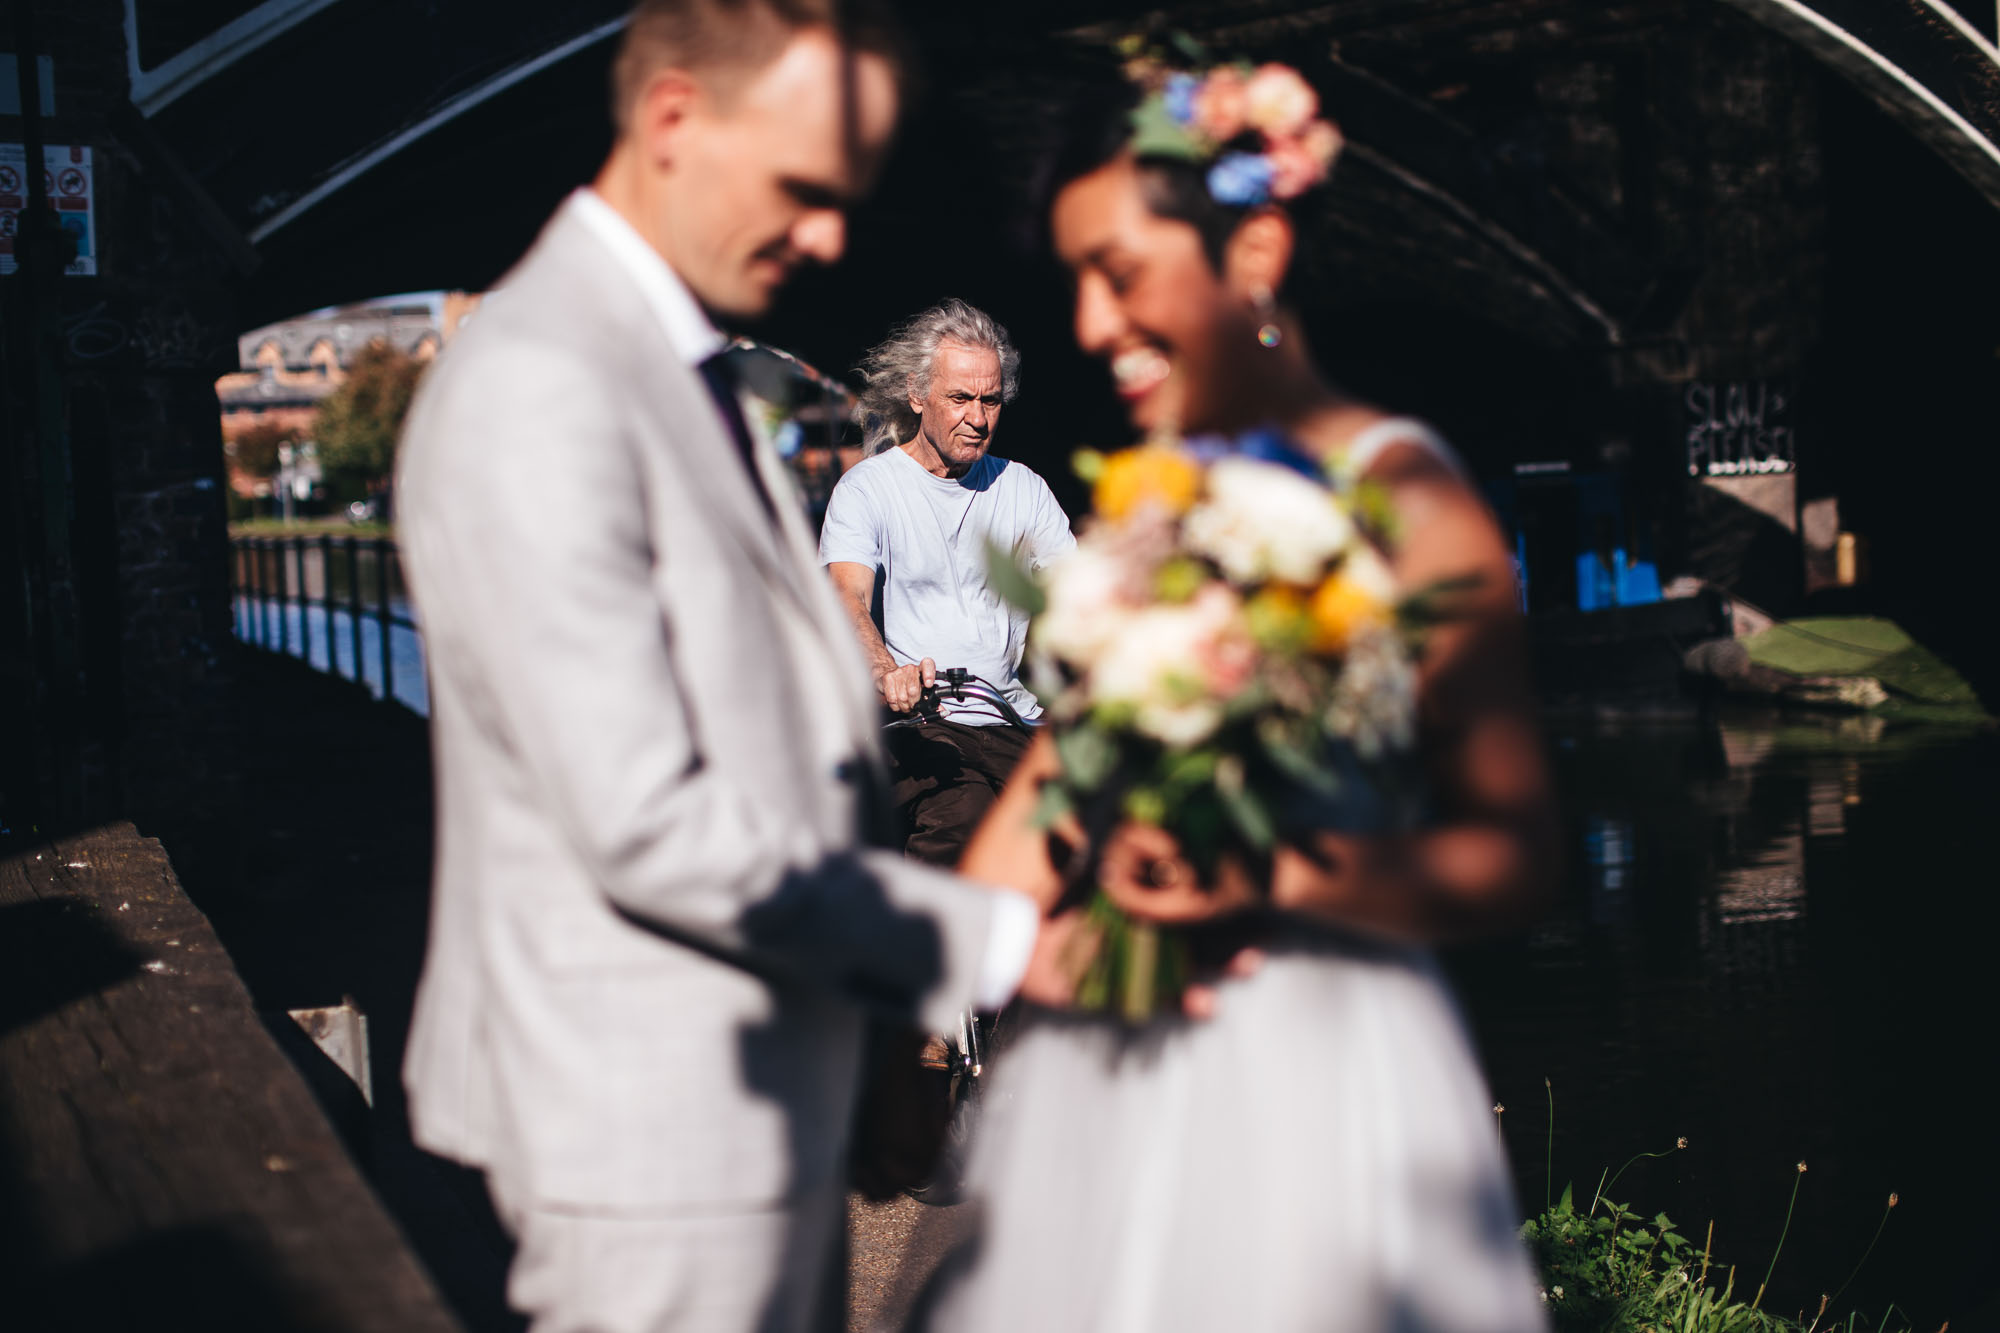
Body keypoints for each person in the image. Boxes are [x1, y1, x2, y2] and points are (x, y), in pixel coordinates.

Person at [392, 5, 1076, 1330]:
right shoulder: (546, 386)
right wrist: (988, 942)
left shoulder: (662, 369)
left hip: (743, 1089)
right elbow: (645, 817)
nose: (829, 242)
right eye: (804, 189)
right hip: (645, 1128)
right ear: (674, 119)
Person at [916, 50, 1561, 1332]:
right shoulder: (1148, 512)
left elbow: (1516, 853)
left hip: (1319, 1070)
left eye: (1116, 273)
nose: (1088, 326)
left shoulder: (1402, 492)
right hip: (1115, 1062)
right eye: (1075, 282)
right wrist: (918, 1010)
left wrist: (1263, 872)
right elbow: (1042, 810)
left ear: (1254, 250)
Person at [819, 299, 1075, 867]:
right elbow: (846, 597)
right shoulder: (868, 489)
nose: (978, 418)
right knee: (962, 821)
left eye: (991, 400)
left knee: (1085, 834)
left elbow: (1080, 597)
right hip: (920, 724)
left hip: (1012, 718)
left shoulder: (1023, 489)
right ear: (917, 394)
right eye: (960, 398)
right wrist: (887, 673)